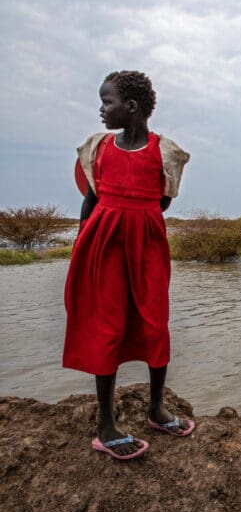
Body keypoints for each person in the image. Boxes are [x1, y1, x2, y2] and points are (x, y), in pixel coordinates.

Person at [63, 70, 194, 460]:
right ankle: (106, 424)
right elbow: (90, 200)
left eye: (107, 102)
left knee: (155, 322)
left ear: (131, 107)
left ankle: (157, 409)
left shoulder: (165, 151)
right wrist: (82, 247)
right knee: (108, 327)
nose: (102, 110)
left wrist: (136, 218)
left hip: (149, 246)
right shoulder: (98, 148)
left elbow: (162, 201)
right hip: (103, 245)